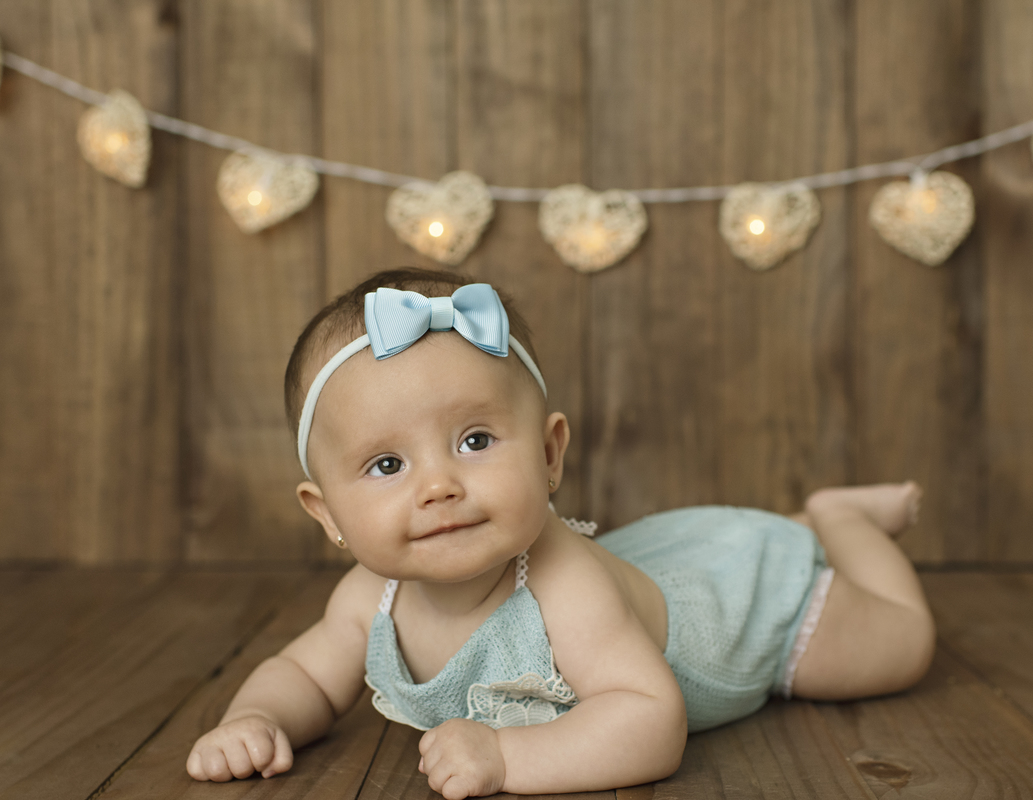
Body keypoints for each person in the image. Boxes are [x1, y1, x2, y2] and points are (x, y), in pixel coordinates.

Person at [186, 267, 936, 799]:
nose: (438, 484)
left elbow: (651, 723)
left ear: (549, 455)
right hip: (665, 558)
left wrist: (508, 757)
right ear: (328, 515)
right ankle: (806, 523)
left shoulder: (562, 587)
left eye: (475, 441)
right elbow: (308, 677)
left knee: (901, 647)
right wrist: (253, 719)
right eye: (386, 464)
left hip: (751, 612)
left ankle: (840, 521)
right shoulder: (368, 601)